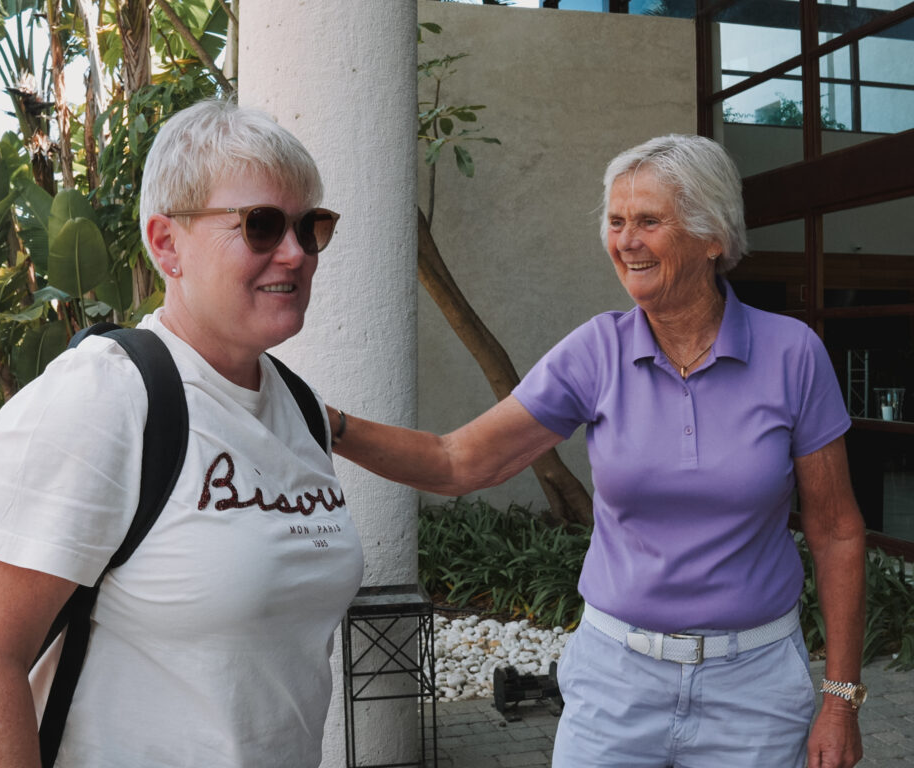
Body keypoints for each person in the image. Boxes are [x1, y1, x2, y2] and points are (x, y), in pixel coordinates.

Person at [327, 135, 866, 768]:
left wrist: (840, 700)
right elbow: (458, 462)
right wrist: (331, 424)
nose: (626, 241)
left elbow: (836, 530)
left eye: (648, 221)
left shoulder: (792, 353)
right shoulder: (597, 351)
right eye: (616, 222)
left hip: (755, 686)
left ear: (712, 235)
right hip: (618, 681)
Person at [0, 99, 364, 767]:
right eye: (260, 226)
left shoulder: (299, 407)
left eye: (310, 227)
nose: (296, 253)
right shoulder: (104, 399)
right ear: (167, 244)